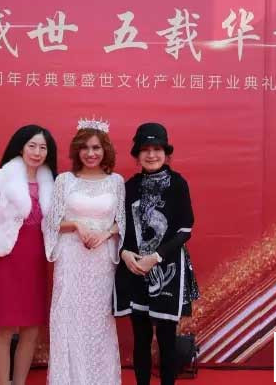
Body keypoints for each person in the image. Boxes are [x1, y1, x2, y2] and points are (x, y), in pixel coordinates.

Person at [113, 122, 199, 385]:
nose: (151, 155)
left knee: (166, 339)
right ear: (137, 155)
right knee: (140, 338)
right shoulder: (129, 186)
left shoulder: (178, 184)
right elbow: (120, 228)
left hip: (167, 269)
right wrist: (125, 254)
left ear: (166, 153)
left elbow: (185, 229)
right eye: (145, 150)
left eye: (157, 149)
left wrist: (156, 257)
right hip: (135, 270)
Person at [0, 124, 57, 385]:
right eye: (32, 146)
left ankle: (19, 382)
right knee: (4, 327)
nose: (37, 152)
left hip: (36, 262)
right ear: (20, 147)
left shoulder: (52, 182)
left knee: (31, 328)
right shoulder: (0, 177)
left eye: (43, 147)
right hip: (6, 260)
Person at [43, 119, 125, 385]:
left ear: (105, 150)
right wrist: (77, 225)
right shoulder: (64, 181)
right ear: (77, 150)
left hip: (101, 261)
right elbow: (51, 223)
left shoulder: (116, 182)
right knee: (68, 318)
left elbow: (123, 222)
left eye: (96, 147)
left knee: (99, 321)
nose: (91, 153)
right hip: (71, 259)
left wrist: (106, 233)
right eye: (85, 148)